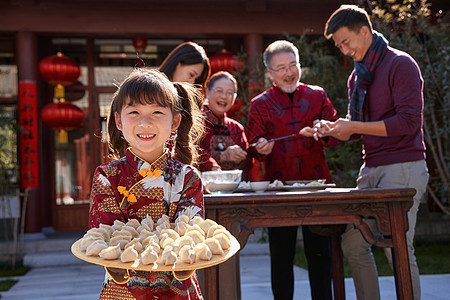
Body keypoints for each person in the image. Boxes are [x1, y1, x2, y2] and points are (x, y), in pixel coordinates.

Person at [320, 5, 429, 300]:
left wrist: (354, 126)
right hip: (371, 169)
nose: (343, 50)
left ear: (365, 32)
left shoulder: (401, 64)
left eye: (346, 42)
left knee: (398, 250)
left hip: (403, 166)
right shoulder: (358, 77)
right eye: (339, 45)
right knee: (353, 245)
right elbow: (359, 127)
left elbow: (408, 123)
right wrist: (333, 130)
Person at [88, 68, 206, 299]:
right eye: (133, 111)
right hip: (122, 289)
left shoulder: (188, 178)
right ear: (118, 121)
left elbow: (191, 236)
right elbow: (103, 238)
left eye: (156, 112)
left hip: (176, 286)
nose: (145, 122)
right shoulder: (106, 176)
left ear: (175, 121)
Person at [246, 40, 338, 300]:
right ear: (271, 73)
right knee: (281, 257)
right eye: (281, 68)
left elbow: (336, 133)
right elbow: (252, 143)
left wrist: (325, 130)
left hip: (317, 185)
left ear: (299, 66)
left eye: (292, 65)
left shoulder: (317, 95)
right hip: (280, 188)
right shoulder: (260, 103)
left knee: (321, 256)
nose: (289, 73)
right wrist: (259, 148)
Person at [199, 71, 252, 180]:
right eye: (219, 91)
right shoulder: (195, 121)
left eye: (230, 92)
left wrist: (242, 156)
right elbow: (191, 153)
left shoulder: (236, 128)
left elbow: (248, 166)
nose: (224, 96)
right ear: (207, 92)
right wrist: (222, 156)